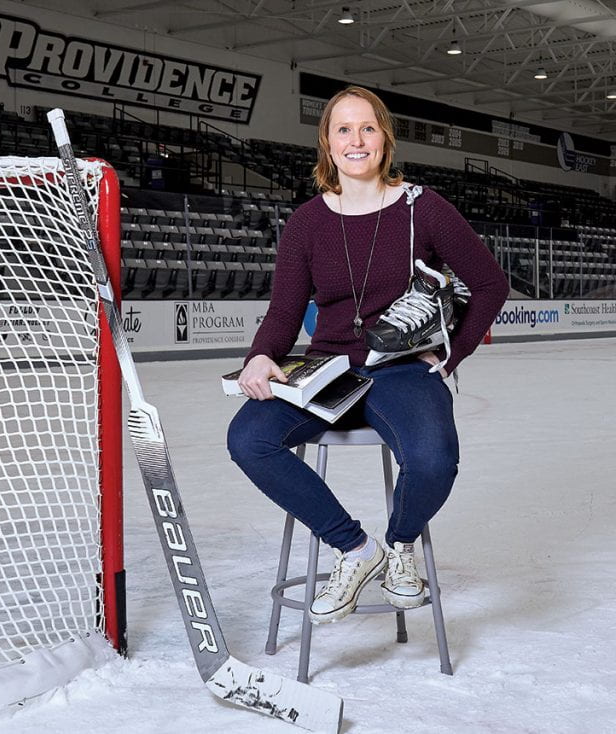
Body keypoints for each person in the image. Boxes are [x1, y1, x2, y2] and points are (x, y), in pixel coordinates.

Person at [227, 85, 509, 625]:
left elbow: (490, 285)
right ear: (327, 145)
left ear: (385, 138)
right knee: (248, 439)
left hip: (402, 370)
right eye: (343, 130)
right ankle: (355, 549)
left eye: (367, 128)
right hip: (329, 365)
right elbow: (285, 313)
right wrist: (261, 355)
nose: (356, 140)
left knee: (432, 459)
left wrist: (449, 358)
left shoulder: (423, 210)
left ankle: (400, 545)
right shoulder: (307, 222)